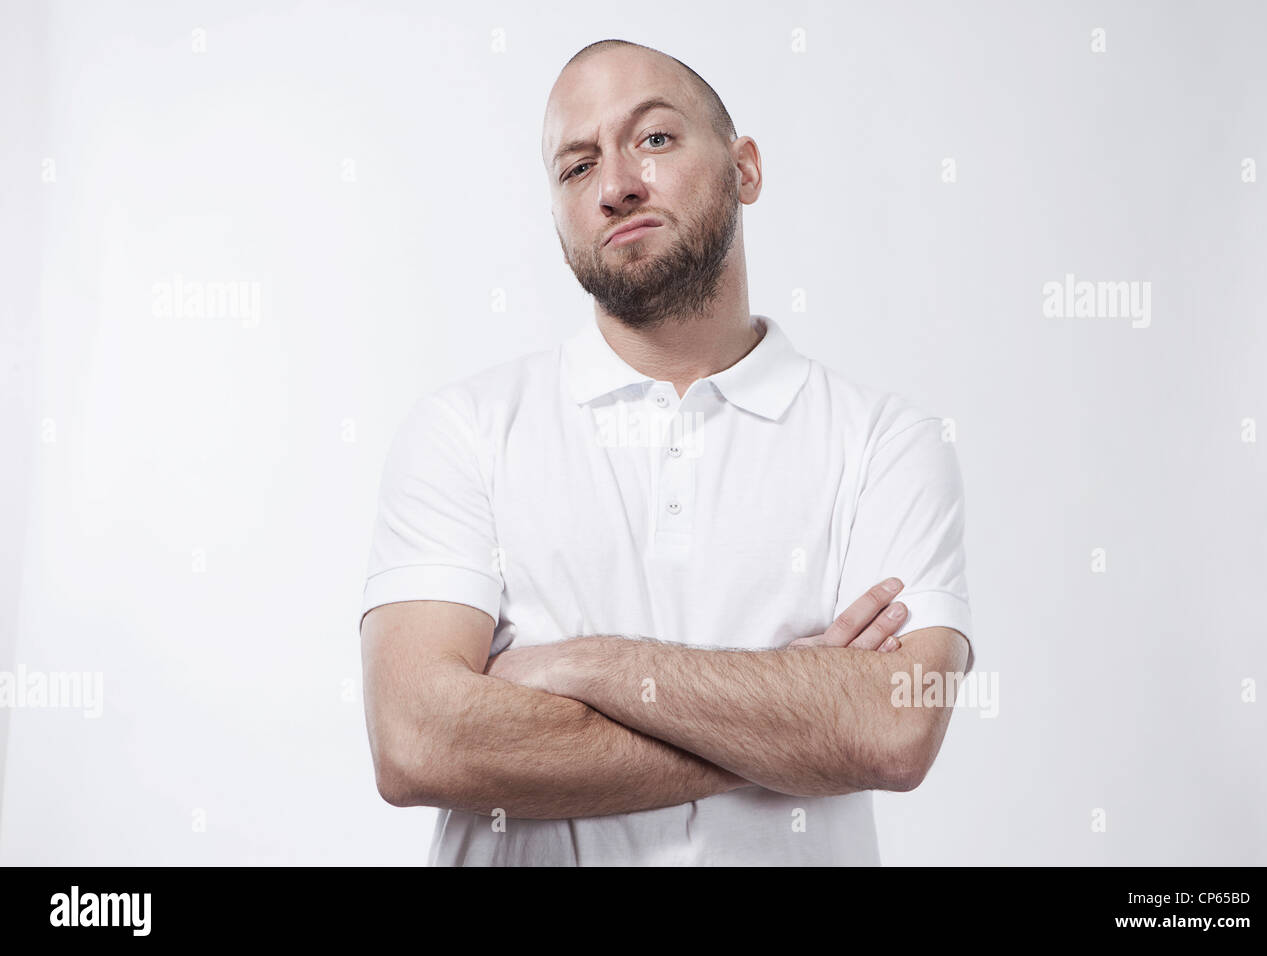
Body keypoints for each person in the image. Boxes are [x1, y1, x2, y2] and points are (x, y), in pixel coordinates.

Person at [358, 38, 974, 866]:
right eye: (577, 167)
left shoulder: (885, 444)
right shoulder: (462, 430)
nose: (615, 187)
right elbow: (417, 743)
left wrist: (578, 665)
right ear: (556, 215)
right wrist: (793, 717)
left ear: (745, 169)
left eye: (654, 139)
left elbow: (894, 727)